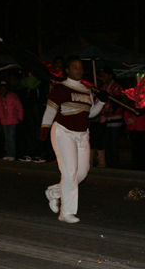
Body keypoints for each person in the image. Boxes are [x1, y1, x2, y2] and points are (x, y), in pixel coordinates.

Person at [41, 56, 106, 223]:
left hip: (82, 134)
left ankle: (55, 192)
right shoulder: (60, 88)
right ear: (67, 70)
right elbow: (50, 111)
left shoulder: (87, 89)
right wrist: (44, 131)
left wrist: (102, 102)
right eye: (75, 67)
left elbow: (89, 114)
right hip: (63, 132)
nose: (79, 70)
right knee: (69, 172)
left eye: (81, 67)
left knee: (82, 172)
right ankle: (66, 212)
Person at [99, 67, 124, 168]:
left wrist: (112, 109)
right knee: (106, 142)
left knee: (113, 142)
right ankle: (107, 162)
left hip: (115, 117)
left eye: (104, 76)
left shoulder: (116, 86)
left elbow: (118, 100)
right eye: (101, 76)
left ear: (110, 76)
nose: (102, 78)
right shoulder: (102, 87)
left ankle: (114, 164)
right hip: (105, 118)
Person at [0, 80, 24, 160]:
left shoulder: (12, 96)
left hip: (12, 120)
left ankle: (12, 154)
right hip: (4, 121)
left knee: (11, 137)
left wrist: (20, 118)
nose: (3, 91)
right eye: (1, 89)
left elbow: (19, 107)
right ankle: (8, 154)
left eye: (4, 89)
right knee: (7, 138)